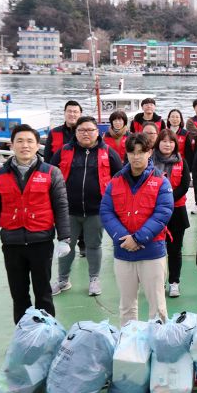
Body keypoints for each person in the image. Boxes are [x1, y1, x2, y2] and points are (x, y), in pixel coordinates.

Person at [0, 124, 71, 323]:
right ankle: (23, 334)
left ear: (37, 145)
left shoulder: (52, 173)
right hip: (12, 244)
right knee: (19, 294)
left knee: (43, 293)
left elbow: (61, 207)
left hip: (41, 242)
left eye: (30, 141)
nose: (25, 145)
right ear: (12, 145)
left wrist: (64, 238)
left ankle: (47, 333)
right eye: (20, 141)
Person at [100, 133, 174, 326]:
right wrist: (123, 237)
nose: (136, 156)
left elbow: (163, 212)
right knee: (126, 306)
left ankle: (158, 341)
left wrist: (138, 238)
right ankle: (129, 342)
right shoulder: (116, 181)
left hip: (152, 252)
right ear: (127, 154)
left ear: (149, 153)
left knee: (157, 307)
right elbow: (106, 211)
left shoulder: (161, 181)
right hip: (124, 251)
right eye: (132, 152)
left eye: (141, 152)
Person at [50, 116, 123, 297]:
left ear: (97, 132)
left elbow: (120, 180)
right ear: (75, 132)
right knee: (66, 245)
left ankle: (94, 279)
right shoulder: (64, 151)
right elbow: (50, 176)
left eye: (90, 130)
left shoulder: (108, 152)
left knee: (93, 246)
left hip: (96, 210)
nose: (86, 133)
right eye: (81, 130)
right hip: (68, 211)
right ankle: (63, 280)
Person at [152, 129, 192, 298]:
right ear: (158, 143)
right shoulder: (150, 161)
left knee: (175, 250)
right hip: (154, 211)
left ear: (175, 144)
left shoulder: (181, 162)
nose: (167, 144)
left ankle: (174, 282)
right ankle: (158, 281)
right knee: (156, 249)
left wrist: (167, 199)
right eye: (164, 141)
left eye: (171, 141)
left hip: (176, 211)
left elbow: (185, 184)